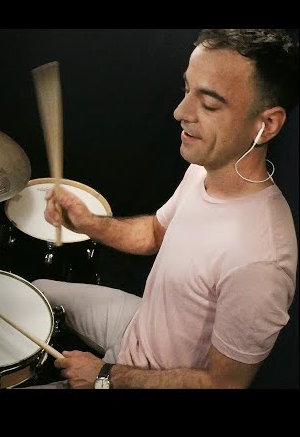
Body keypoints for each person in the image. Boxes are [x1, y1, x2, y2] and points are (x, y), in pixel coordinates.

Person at [32, 29, 298, 389]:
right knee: (36, 292)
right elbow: (155, 233)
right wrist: (89, 223)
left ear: (266, 125)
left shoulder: (260, 262)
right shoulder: (206, 168)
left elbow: (223, 384)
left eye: (209, 104)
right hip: (138, 323)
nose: (180, 112)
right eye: (187, 89)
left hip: (156, 376)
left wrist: (104, 375)